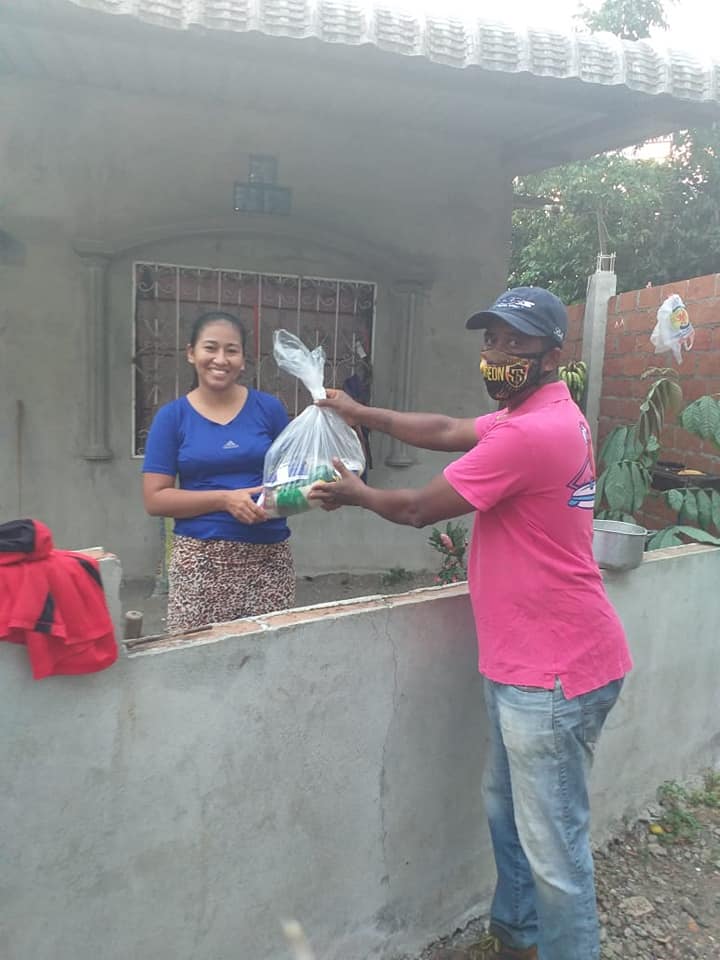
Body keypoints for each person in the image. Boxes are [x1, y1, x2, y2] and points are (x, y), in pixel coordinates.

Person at [309, 287, 632, 960]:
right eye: (491, 340)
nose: (498, 353)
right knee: (506, 810)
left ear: (552, 354)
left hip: (553, 672)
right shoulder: (544, 411)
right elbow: (446, 428)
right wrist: (360, 412)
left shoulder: (530, 434)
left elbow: (417, 509)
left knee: (555, 853)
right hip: (530, 660)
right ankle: (520, 936)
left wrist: (358, 494)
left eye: (517, 342)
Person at [142, 310, 295, 632]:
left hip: (268, 558)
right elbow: (155, 499)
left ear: (243, 359)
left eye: (231, 350)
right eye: (210, 348)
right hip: (199, 561)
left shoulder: (269, 409)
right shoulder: (172, 418)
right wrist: (225, 500)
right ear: (191, 353)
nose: (221, 359)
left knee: (267, 654)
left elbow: (293, 477)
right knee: (196, 656)